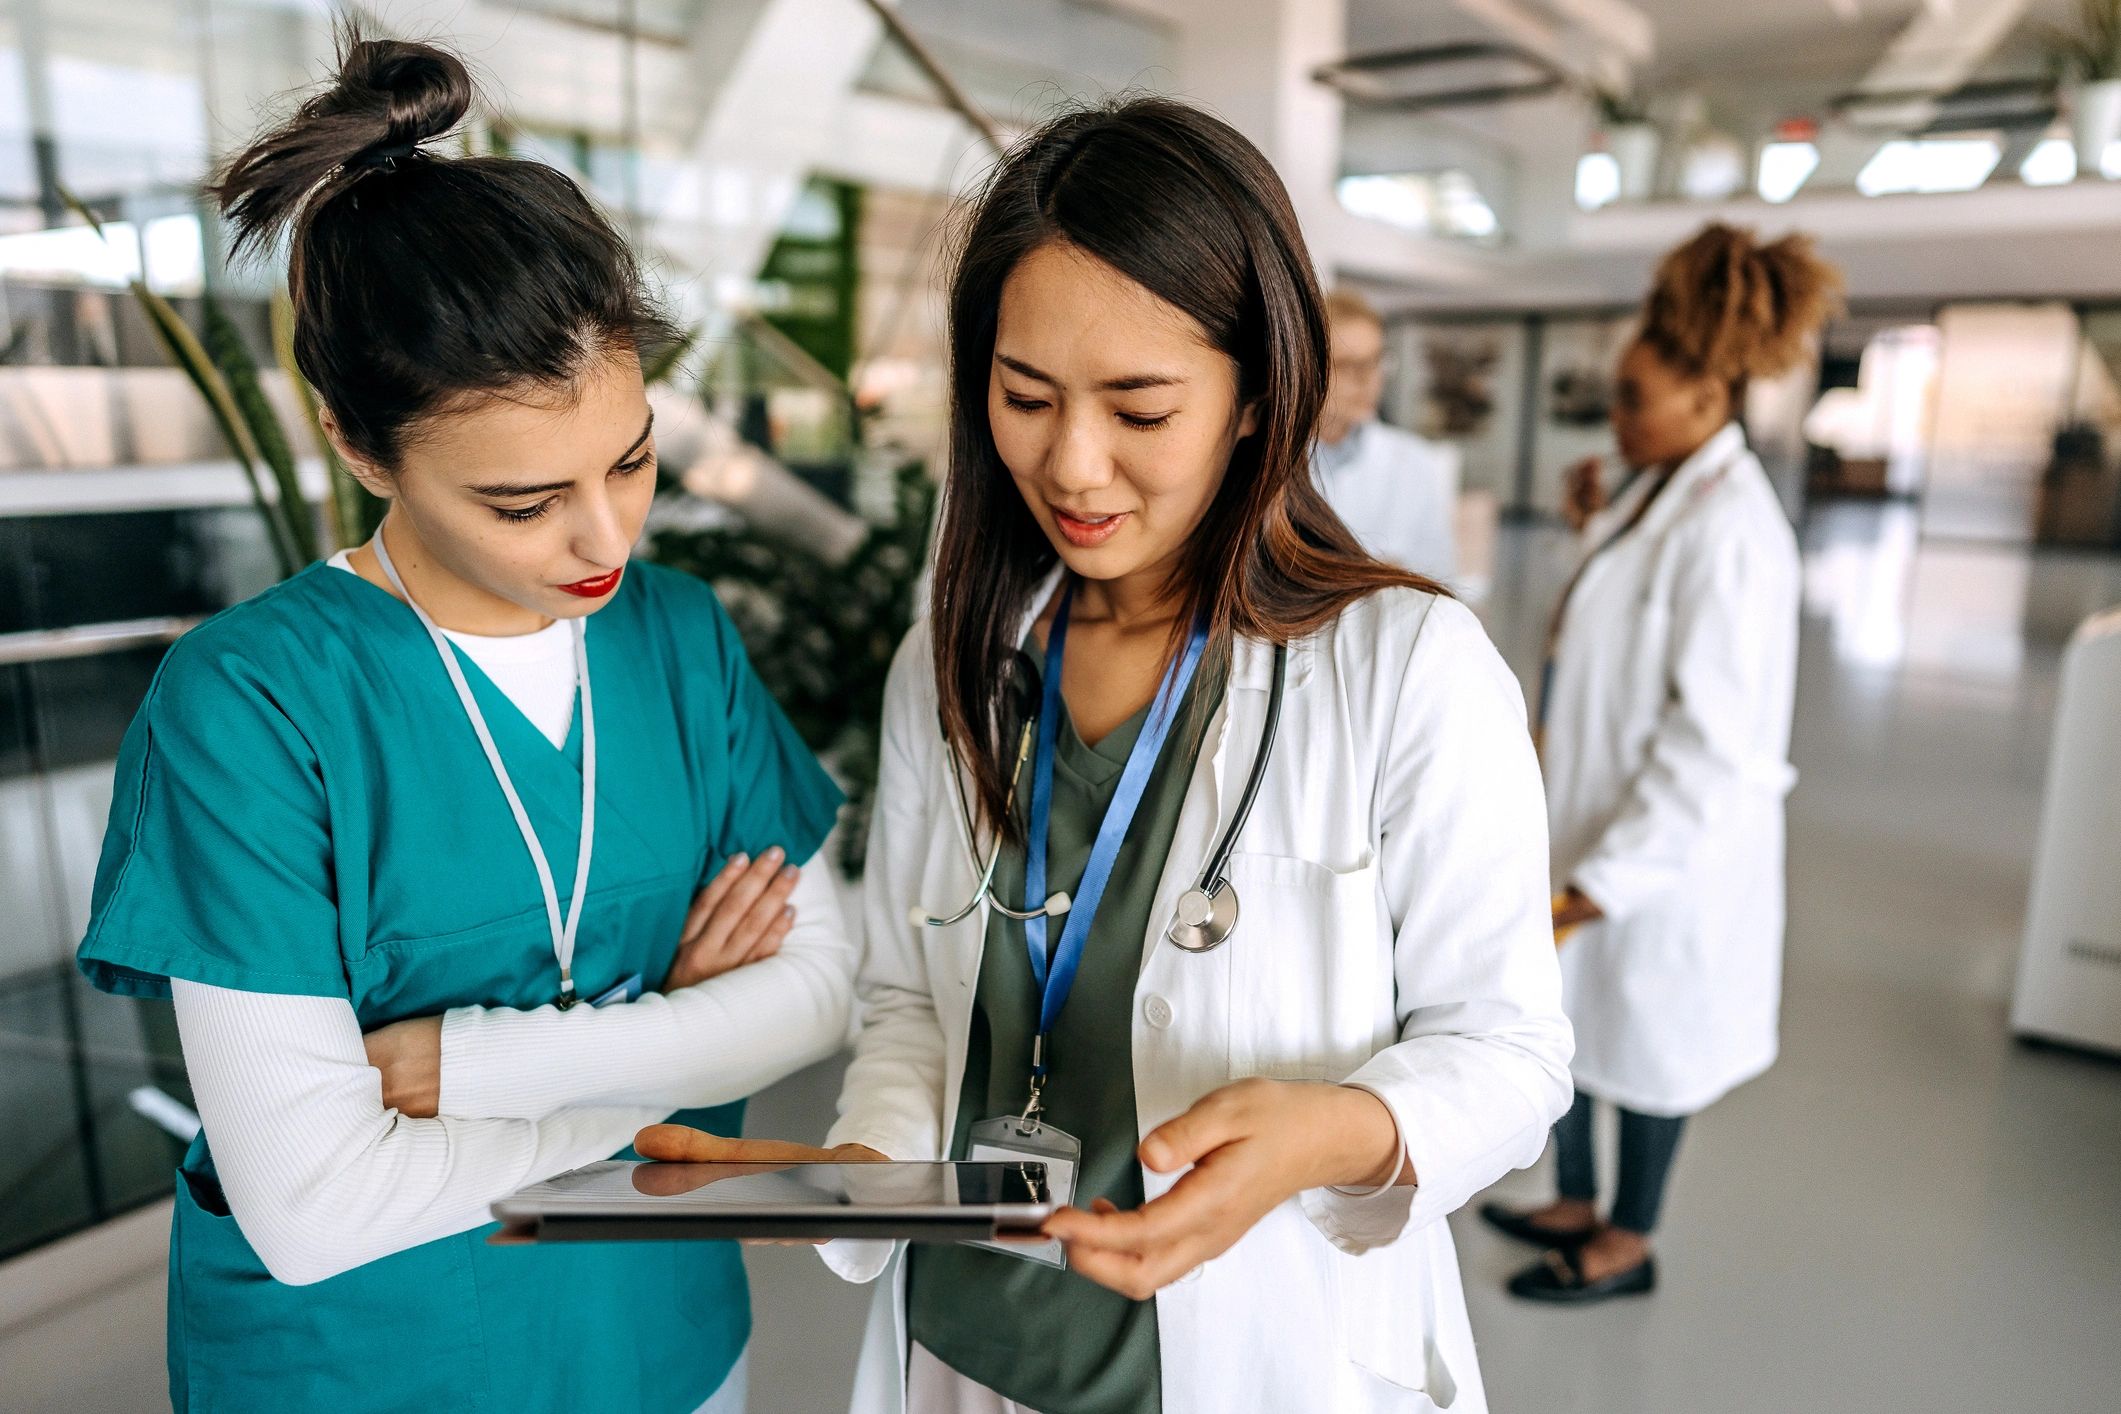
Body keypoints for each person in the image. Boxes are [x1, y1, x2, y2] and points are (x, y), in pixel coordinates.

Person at [644, 97, 1572, 1413]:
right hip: (967, 1341)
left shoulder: (1404, 667)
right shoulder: (955, 659)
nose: (1072, 464)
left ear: (1260, 393)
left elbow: (1511, 1050)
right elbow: (915, 998)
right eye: (1025, 397)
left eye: (1140, 408)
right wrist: (866, 1161)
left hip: (1258, 1348)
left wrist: (1333, 1130)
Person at [73, 33, 854, 1413]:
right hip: (373, 1365)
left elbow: (816, 991)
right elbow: (316, 1202)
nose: (607, 533)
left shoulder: (676, 633)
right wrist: (680, 1043)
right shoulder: (252, 707)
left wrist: (468, 1069)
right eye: (521, 501)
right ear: (356, 443)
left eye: (631, 456)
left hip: (669, 1335)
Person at [1481, 222, 1840, 1305]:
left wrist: (1603, 881)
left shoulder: (1734, 531)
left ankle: (1626, 1241)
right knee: (1581, 1027)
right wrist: (1592, 522)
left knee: (1648, 1050)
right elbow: (1600, 641)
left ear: (1707, 398)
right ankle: (1575, 1201)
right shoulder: (1653, 491)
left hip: (1665, 854)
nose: (1619, 418)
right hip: (1593, 813)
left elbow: (1716, 752)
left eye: (1635, 399)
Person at [1312, 288, 1460, 583]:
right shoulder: (1266, 460)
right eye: (1350, 365)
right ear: (1310, 366)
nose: (1368, 381)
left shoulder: (1415, 463)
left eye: (1376, 362)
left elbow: (1440, 579)